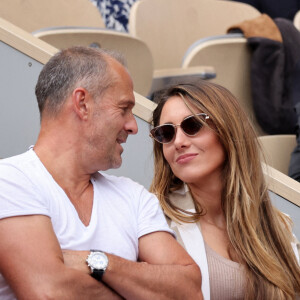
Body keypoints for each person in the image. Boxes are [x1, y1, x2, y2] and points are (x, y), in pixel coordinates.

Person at [0, 46, 203, 300]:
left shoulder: (134, 196)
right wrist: (138, 286)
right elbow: (50, 292)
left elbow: (189, 290)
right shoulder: (8, 181)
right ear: (82, 103)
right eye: (124, 108)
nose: (133, 127)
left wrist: (96, 262)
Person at [149, 81, 300, 300]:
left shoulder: (277, 225)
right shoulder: (153, 222)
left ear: (227, 129)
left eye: (193, 125)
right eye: (166, 133)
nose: (179, 142)